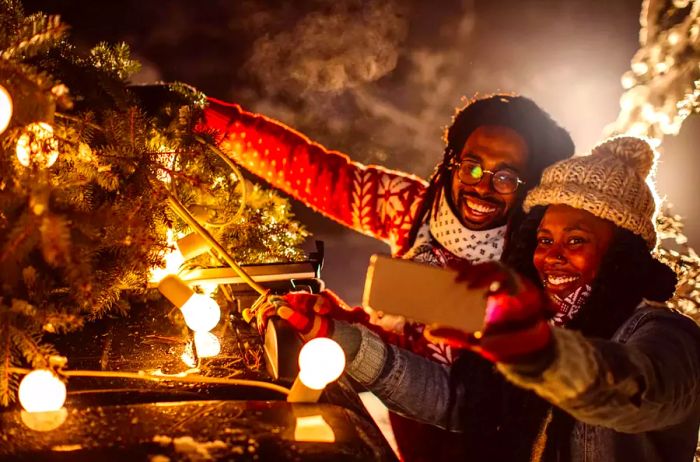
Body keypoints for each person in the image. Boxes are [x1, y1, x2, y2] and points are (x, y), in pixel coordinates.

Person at [265, 136, 700, 461]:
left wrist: (540, 354)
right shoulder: (542, 321)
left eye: (577, 239)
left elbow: (636, 394)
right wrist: (344, 339)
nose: (552, 256)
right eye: (544, 239)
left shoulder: (665, 333)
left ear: (620, 254)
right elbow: (459, 403)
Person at [200, 94, 575, 460]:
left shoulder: (534, 264)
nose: (482, 187)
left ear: (530, 188)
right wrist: (209, 118)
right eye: (471, 167)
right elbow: (314, 172)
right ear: (451, 162)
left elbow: (453, 394)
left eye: (506, 177)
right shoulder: (415, 211)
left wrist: (345, 329)